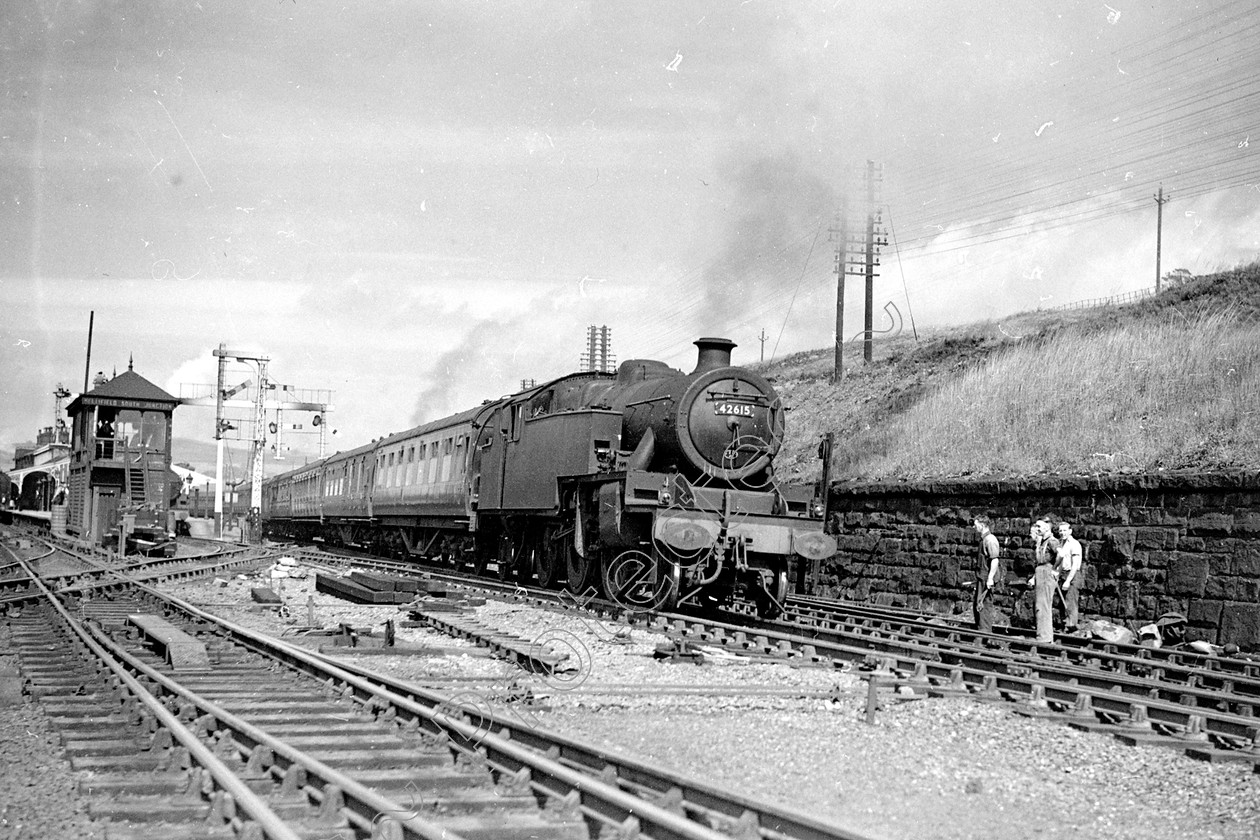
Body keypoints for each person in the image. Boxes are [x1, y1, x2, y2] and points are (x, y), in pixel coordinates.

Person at [1030, 517, 1060, 644]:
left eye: (1039, 526)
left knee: (1043, 605)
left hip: (1047, 571)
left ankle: (1045, 637)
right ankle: (1042, 634)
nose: (1037, 529)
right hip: (1040, 571)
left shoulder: (1052, 541)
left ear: (1047, 528)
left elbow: (1061, 554)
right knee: (1039, 605)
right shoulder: (1042, 541)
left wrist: (1054, 569)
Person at [972, 517, 1001, 632]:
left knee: (984, 605)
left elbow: (994, 560)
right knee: (978, 605)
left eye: (976, 524)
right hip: (982, 576)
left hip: (986, 577)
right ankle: (981, 629)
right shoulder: (983, 539)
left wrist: (990, 579)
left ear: (982, 525)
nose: (974, 527)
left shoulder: (990, 540)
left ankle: (984, 631)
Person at [1055, 521, 1083, 631]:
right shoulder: (1062, 544)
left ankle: (1071, 627)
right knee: (1062, 602)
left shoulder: (1074, 544)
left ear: (1070, 531)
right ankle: (1064, 625)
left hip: (1072, 575)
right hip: (1063, 574)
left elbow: (1075, 565)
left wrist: (1068, 580)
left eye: (1064, 530)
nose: (1062, 533)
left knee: (1070, 601)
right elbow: (1062, 562)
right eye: (1060, 530)